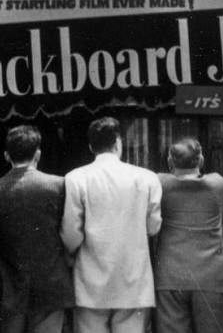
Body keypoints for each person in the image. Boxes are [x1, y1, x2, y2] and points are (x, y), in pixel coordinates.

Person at [60, 116, 163, 333]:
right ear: (118, 143)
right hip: (133, 279)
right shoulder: (147, 178)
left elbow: (71, 233)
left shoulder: (75, 178)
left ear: (91, 146)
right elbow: (153, 227)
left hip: (90, 280)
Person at [0, 124, 74, 333]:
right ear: (38, 154)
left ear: (6, 155)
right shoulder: (59, 186)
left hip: (6, 288)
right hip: (51, 285)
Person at [154, 137, 223, 333]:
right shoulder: (219, 184)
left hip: (170, 276)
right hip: (212, 277)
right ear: (200, 161)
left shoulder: (160, 183)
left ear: (170, 162)